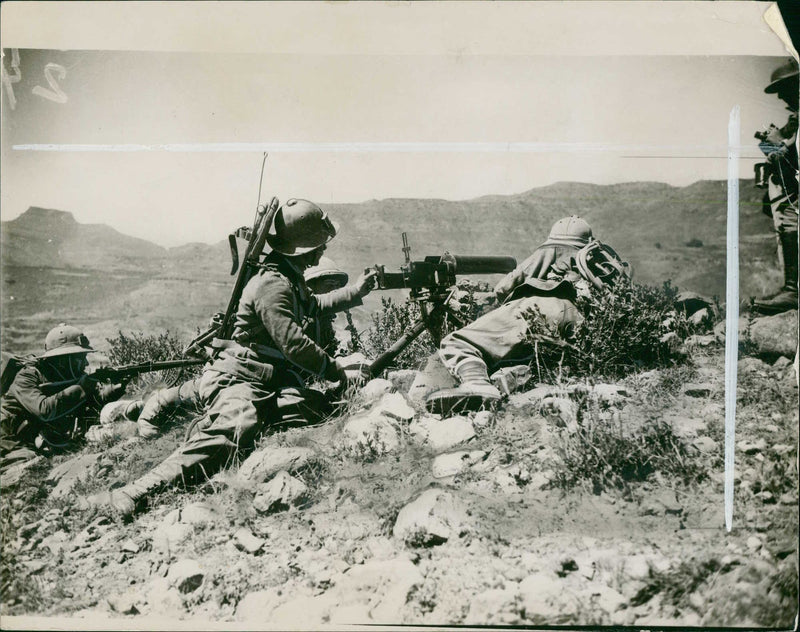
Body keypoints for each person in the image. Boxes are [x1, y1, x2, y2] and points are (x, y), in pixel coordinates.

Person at [87, 199, 375, 516]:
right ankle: (134, 492)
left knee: (312, 406)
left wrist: (357, 293)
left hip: (264, 380)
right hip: (239, 380)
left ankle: (186, 414)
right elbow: (293, 344)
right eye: (318, 246)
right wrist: (336, 372)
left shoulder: (288, 279)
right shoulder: (272, 285)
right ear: (302, 248)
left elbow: (313, 307)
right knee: (236, 428)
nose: (321, 252)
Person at [131, 255, 355, 440]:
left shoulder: (321, 322)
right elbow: (293, 347)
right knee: (214, 395)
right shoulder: (283, 308)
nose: (333, 290)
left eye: (337, 286)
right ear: (309, 287)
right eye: (329, 284)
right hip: (246, 374)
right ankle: (161, 402)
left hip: (277, 380)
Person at [425, 216, 628, 414]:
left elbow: (502, 289)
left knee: (458, 342)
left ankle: (478, 385)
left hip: (534, 309)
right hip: (579, 317)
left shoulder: (545, 253)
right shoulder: (595, 259)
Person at [0, 324, 132, 471]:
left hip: (36, 439)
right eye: (80, 358)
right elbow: (44, 410)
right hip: (9, 442)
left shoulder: (66, 375)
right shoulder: (26, 376)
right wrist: (82, 387)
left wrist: (113, 391)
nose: (86, 363)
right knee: (31, 463)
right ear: (63, 359)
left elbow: (85, 409)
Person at [752, 59, 798, 315]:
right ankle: (791, 289)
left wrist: (778, 145)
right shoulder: (795, 120)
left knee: (791, 223)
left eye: (785, 88)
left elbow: (792, 154)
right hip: (790, 188)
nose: (781, 96)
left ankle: (793, 291)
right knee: (788, 224)